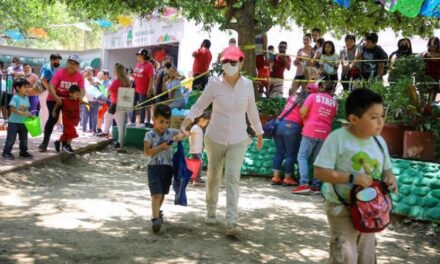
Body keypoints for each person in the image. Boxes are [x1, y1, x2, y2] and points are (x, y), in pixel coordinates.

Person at [180, 46, 264, 237]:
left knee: (233, 177)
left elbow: (252, 111)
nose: (229, 65)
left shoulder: (247, 85)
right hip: (214, 138)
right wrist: (186, 120)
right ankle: (211, 211)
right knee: (213, 176)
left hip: (239, 139)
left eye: (233, 62)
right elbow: (200, 104)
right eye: (225, 61)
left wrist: (259, 132)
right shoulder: (214, 83)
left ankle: (232, 220)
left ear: (241, 63)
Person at [314, 88, 398, 264]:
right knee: (345, 255)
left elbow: (387, 169)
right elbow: (320, 171)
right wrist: (352, 178)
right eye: (373, 117)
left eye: (382, 116)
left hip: (370, 210)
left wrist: (390, 178)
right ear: (354, 119)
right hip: (341, 207)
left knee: (367, 257)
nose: (380, 122)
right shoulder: (337, 139)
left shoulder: (379, 141)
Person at [144, 104, 184, 233]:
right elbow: (147, 152)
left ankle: (158, 212)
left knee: (162, 194)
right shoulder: (149, 135)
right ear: (154, 119)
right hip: (154, 167)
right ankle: (155, 218)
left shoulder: (170, 132)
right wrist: (161, 147)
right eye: (161, 121)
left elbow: (184, 133)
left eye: (167, 122)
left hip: (168, 168)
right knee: (156, 194)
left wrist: (180, 136)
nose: (164, 125)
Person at [293, 81, 338, 194]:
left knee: (302, 156)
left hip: (310, 130)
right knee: (318, 160)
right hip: (325, 133)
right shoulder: (334, 102)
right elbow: (332, 116)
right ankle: (316, 186)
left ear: (321, 87)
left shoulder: (313, 97)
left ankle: (304, 184)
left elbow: (303, 111)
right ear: (332, 90)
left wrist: (305, 119)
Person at [271, 82, 320, 186]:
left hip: (279, 124)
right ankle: (288, 178)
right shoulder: (307, 101)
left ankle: (276, 177)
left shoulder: (294, 96)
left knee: (279, 153)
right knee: (290, 155)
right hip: (292, 127)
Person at [39, 54, 85, 152]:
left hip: (69, 99)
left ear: (78, 65)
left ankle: (65, 145)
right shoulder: (60, 73)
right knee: (53, 119)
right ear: (67, 63)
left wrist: (80, 97)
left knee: (68, 122)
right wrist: (56, 98)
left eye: (75, 64)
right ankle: (44, 143)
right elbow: (51, 86)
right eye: (70, 62)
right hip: (53, 97)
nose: (72, 65)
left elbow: (82, 89)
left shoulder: (79, 76)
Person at [99, 63, 131, 148]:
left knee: (118, 123)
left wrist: (102, 87)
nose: (114, 71)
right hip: (123, 103)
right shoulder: (127, 81)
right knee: (112, 118)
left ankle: (117, 141)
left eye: (115, 70)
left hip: (116, 104)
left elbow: (108, 92)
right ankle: (108, 134)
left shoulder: (117, 81)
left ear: (117, 71)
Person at [2, 78, 33, 160]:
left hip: (23, 122)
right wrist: (23, 113)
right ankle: (6, 152)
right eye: (25, 87)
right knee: (11, 139)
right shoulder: (15, 97)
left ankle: (23, 152)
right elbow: (12, 109)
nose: (27, 88)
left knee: (24, 139)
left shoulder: (26, 98)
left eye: (27, 87)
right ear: (18, 88)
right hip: (13, 122)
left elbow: (27, 109)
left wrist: (29, 115)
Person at [53, 85, 83, 154]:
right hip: (66, 120)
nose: (78, 96)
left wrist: (88, 104)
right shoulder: (64, 100)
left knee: (66, 134)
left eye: (78, 94)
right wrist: (54, 111)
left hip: (73, 120)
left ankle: (57, 142)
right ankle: (67, 145)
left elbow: (82, 102)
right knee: (72, 132)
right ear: (70, 94)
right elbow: (57, 104)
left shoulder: (77, 100)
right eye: (76, 94)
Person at [130, 48, 154, 128]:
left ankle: (142, 122)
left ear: (143, 56)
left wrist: (149, 90)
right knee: (133, 105)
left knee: (142, 106)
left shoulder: (149, 66)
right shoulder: (138, 64)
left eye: (139, 55)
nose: (137, 56)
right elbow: (134, 75)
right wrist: (131, 75)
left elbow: (151, 78)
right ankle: (132, 121)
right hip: (135, 89)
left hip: (143, 90)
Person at [39, 53, 62, 130]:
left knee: (46, 110)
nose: (58, 62)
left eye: (59, 61)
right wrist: (50, 90)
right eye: (57, 60)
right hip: (45, 91)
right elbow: (42, 79)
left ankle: (45, 128)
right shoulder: (48, 68)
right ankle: (43, 128)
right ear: (52, 60)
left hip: (46, 91)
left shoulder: (51, 67)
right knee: (45, 110)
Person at [189, 112, 210, 186]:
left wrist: (201, 146)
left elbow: (199, 139)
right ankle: (197, 179)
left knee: (195, 164)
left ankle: (192, 179)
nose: (206, 124)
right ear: (201, 119)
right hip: (195, 150)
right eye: (206, 122)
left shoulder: (199, 128)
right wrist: (192, 147)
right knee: (199, 163)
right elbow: (191, 138)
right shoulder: (195, 127)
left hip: (198, 149)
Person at [82, 67, 102, 133]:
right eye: (86, 71)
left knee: (94, 116)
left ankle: (94, 130)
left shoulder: (96, 79)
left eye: (89, 71)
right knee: (85, 115)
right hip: (86, 100)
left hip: (95, 101)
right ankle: (84, 129)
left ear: (92, 72)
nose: (87, 73)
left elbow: (102, 88)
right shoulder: (83, 80)